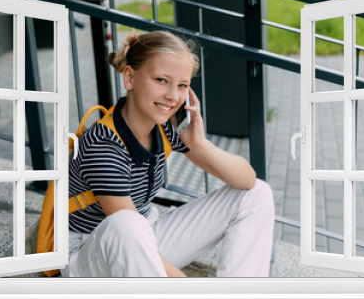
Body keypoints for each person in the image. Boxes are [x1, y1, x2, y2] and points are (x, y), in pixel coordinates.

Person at [61, 31, 275, 278]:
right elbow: (125, 233)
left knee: (257, 193)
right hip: (90, 258)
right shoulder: (103, 147)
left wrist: (200, 144)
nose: (173, 96)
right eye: (161, 80)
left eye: (182, 85)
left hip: (142, 241)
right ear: (129, 78)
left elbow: (246, 180)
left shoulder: (162, 128)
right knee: (127, 224)